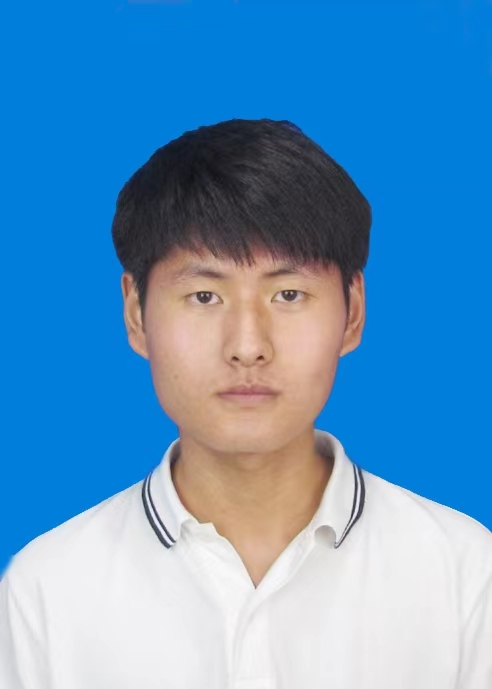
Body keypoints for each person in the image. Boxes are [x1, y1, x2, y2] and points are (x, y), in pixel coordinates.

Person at [0, 118, 491, 689]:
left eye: (289, 294)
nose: (248, 346)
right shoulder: (47, 591)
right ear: (135, 313)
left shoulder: (465, 574)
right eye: (204, 295)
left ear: (353, 311)